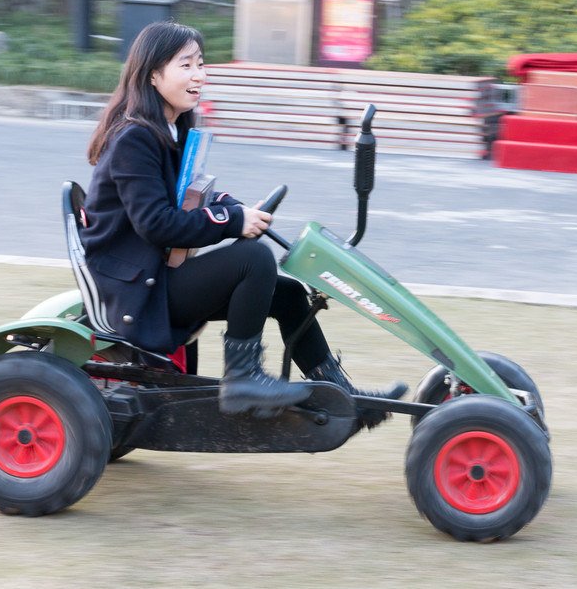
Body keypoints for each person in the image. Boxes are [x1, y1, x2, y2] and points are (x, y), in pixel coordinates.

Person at [80, 21, 406, 422]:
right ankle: (243, 378)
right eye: (186, 65)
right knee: (254, 259)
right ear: (152, 73)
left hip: (155, 276)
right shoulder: (135, 137)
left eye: (201, 63)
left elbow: (187, 193)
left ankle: (342, 396)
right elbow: (157, 224)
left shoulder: (169, 129)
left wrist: (231, 206)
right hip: (138, 293)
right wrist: (232, 221)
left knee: (286, 294)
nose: (199, 74)